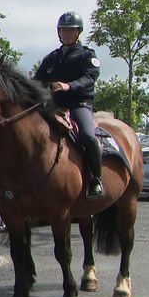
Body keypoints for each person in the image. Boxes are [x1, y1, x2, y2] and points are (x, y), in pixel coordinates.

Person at [33, 11, 104, 199]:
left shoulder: (87, 55)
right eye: (63, 30)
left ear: (78, 32)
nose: (66, 33)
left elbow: (90, 77)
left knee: (88, 136)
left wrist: (68, 86)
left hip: (79, 104)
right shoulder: (52, 57)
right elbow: (36, 81)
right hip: (54, 106)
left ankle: (96, 179)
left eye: (70, 30)